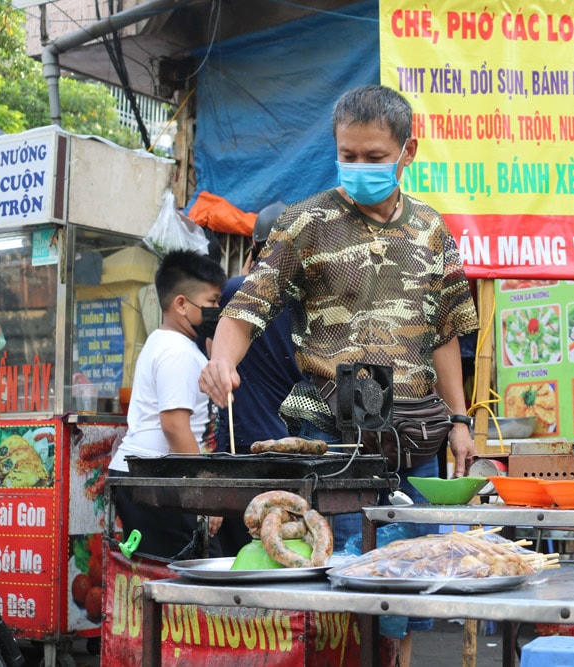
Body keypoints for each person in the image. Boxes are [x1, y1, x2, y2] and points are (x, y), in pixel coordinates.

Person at [200, 84, 478, 661]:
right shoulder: (306, 225)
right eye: (347, 155)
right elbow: (246, 308)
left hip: (414, 433)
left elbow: (447, 336)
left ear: (408, 153)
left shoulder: (434, 232)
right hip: (329, 427)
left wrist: (459, 420)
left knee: (412, 570)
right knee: (342, 569)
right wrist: (221, 361)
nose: (359, 168)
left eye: (374, 157)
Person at [108, 250, 226, 559]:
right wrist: (205, 499)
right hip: (154, 480)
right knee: (190, 573)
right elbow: (174, 426)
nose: (216, 309)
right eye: (212, 301)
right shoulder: (177, 352)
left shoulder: (164, 341)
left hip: (143, 477)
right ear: (181, 305)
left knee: (161, 572)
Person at [210, 201, 303, 557]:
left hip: (244, 455)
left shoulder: (239, 290)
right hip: (297, 453)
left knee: (247, 557)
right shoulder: (313, 302)